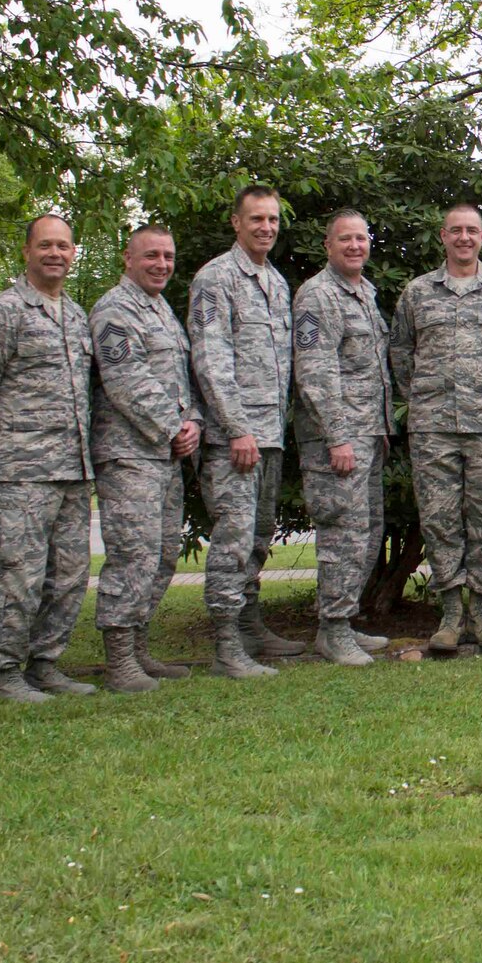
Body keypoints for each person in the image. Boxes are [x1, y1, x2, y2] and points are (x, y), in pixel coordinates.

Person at [0, 215, 96, 702]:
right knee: (17, 577)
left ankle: (46, 663)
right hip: (18, 474)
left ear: (74, 253)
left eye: (64, 246)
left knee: (69, 575)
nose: (56, 253)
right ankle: (5, 674)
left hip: (72, 471)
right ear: (27, 252)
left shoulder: (75, 315)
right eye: (45, 245)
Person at [391, 203, 482, 655]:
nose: (464, 238)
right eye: (456, 230)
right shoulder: (417, 294)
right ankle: (451, 612)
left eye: (472, 230)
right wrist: (426, 398)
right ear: (443, 236)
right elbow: (401, 354)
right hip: (433, 427)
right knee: (440, 518)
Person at [188, 185, 298, 678]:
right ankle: (227, 644)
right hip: (236, 438)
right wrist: (236, 428)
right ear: (237, 223)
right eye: (256, 219)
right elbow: (211, 358)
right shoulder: (216, 278)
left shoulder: (275, 282)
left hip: (269, 433)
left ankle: (251, 626)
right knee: (232, 539)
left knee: (256, 537)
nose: (266, 228)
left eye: (272, 220)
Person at [88, 225, 203, 692]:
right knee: (133, 555)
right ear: (127, 258)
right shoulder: (114, 311)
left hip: (164, 455)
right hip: (129, 454)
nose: (161, 264)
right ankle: (119, 661)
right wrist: (174, 426)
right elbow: (126, 380)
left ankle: (138, 650)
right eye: (151, 256)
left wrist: (193, 419)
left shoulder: (161, 311)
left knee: (161, 556)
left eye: (168, 256)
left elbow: (180, 379)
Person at [294, 210, 396, 666]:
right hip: (338, 440)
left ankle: (345, 621)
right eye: (345, 239)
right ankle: (332, 630)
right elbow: (315, 372)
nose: (356, 246)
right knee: (343, 533)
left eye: (361, 238)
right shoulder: (317, 296)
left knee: (366, 532)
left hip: (368, 434)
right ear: (327, 246)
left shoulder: (363, 293)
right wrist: (337, 436)